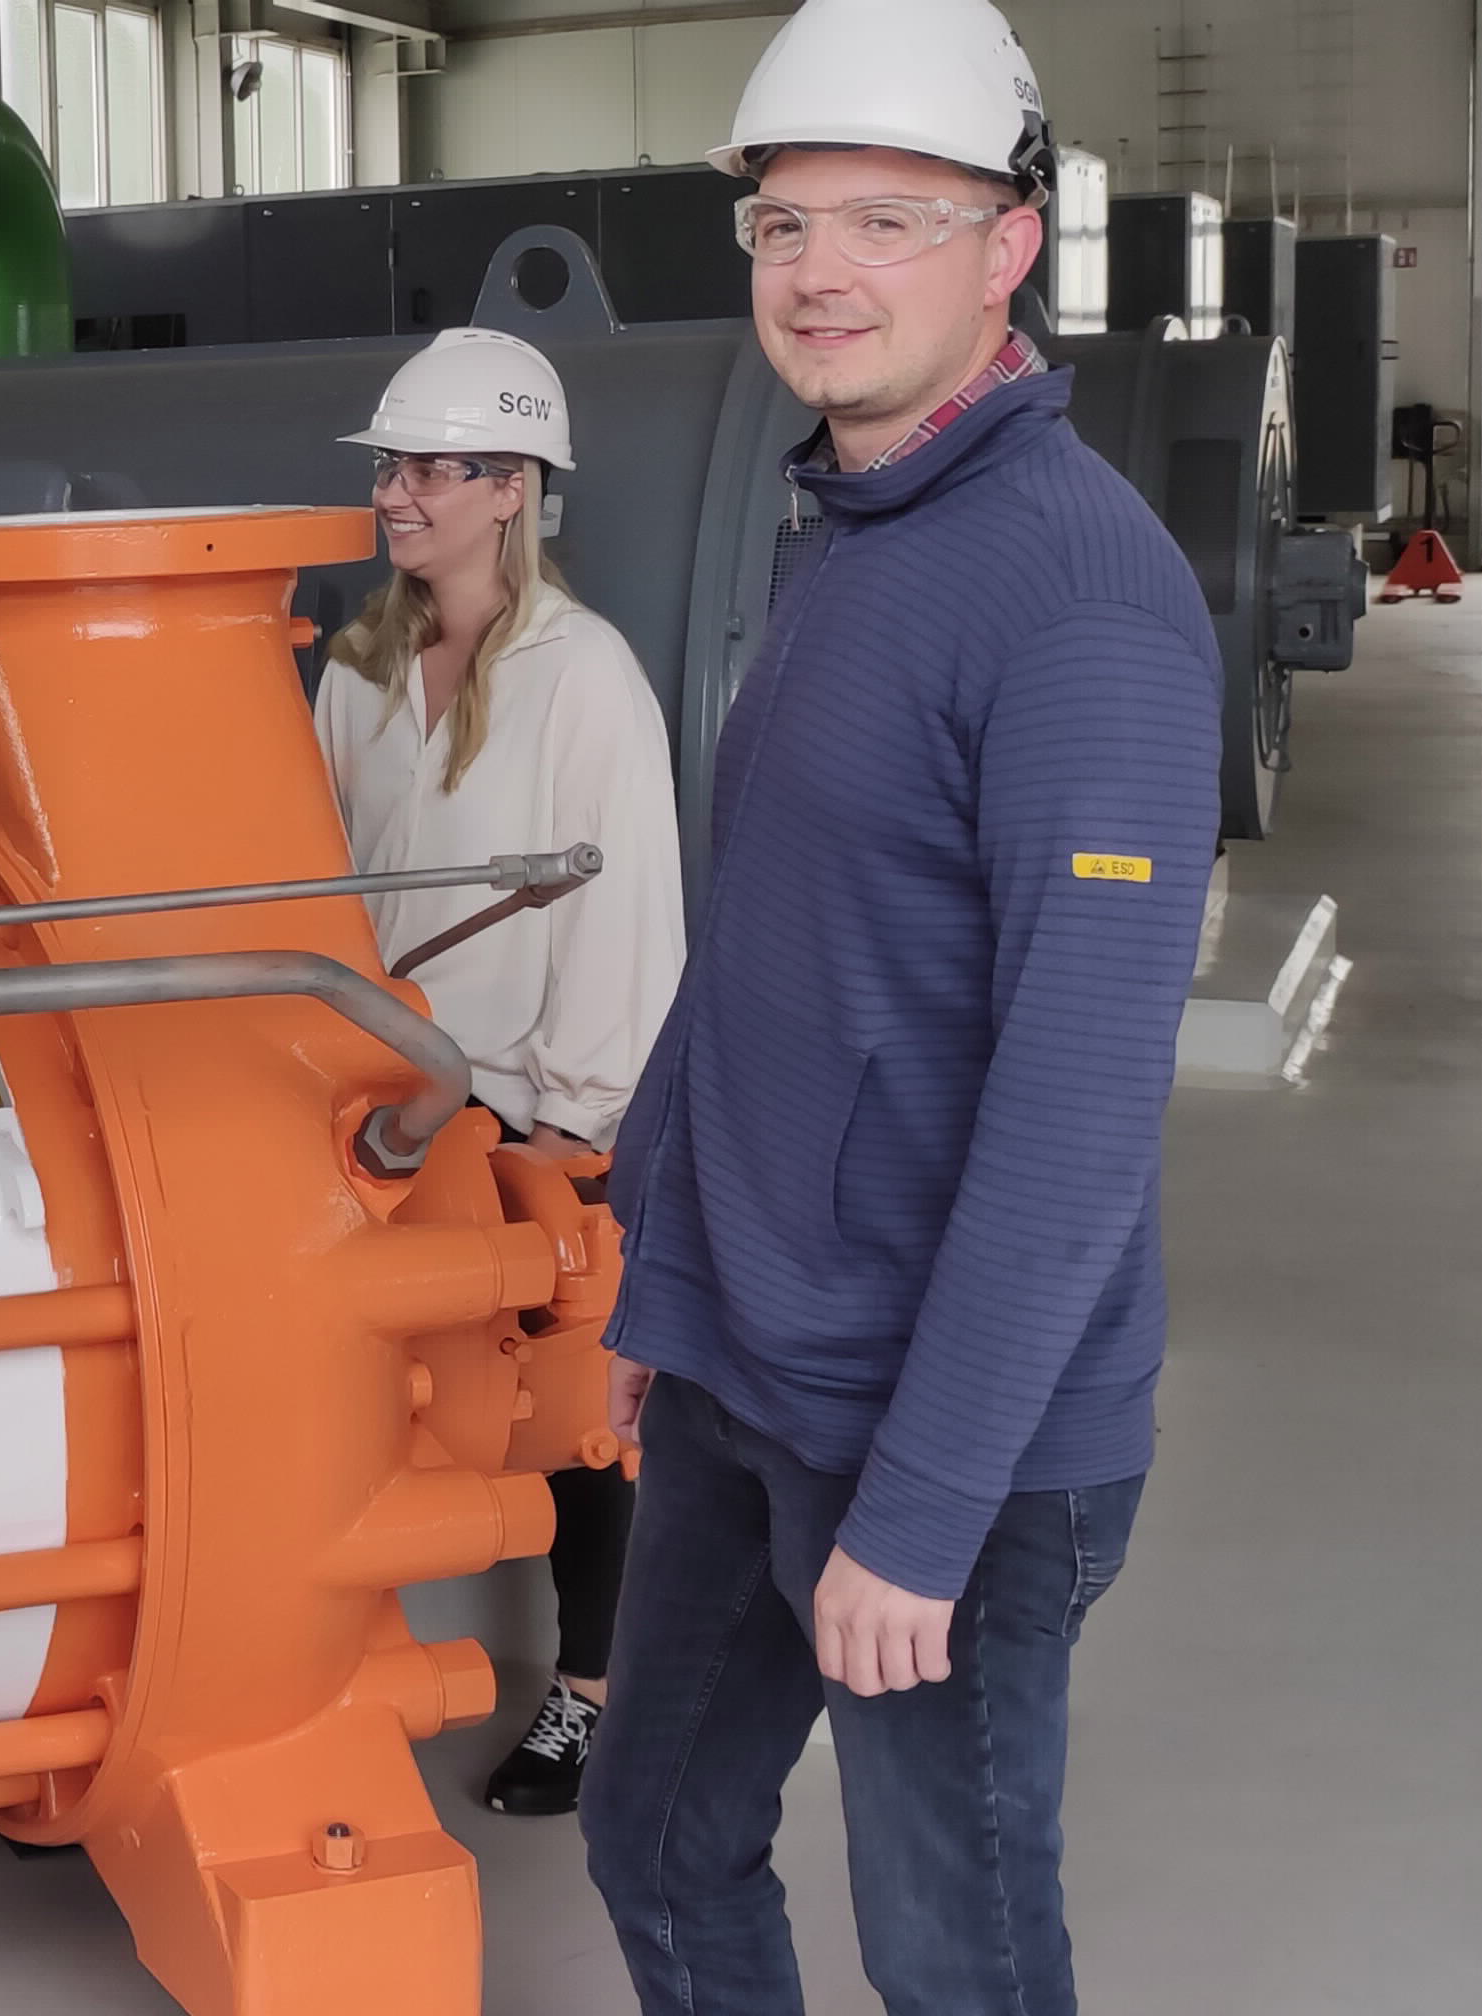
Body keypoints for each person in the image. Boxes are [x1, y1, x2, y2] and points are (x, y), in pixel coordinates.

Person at [576, 1, 1224, 2010]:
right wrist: (663, 1278)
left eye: (885, 222)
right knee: (653, 1830)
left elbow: (1075, 1107)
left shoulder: (1080, 598)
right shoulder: (850, 528)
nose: (819, 274)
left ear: (1005, 247)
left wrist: (927, 1512)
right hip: (747, 1370)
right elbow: (767, 955)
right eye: (782, 226)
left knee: (956, 1957)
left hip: (952, 1439)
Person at [309, 326, 682, 1819]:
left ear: (513, 487)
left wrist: (575, 1135)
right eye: (390, 467)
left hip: (530, 1111)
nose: (395, 494)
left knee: (578, 1419)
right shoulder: (356, 669)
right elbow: (324, 896)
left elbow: (625, 914)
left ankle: (591, 1700)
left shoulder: (584, 678)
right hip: (384, 1102)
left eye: (432, 470)